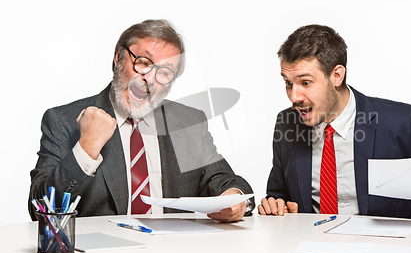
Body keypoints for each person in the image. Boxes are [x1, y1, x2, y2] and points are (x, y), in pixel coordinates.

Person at [30, 19, 254, 222]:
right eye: (143, 62)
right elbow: (39, 208)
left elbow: (225, 181)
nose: (149, 79)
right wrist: (86, 148)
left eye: (165, 72)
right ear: (118, 57)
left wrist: (234, 199)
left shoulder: (188, 123)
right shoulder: (62, 120)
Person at [258, 24, 411, 223]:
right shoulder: (287, 123)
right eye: (288, 83)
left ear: (337, 76)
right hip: (312, 247)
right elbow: (278, 196)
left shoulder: (402, 123)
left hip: (386, 248)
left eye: (305, 83)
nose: (294, 96)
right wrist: (276, 205)